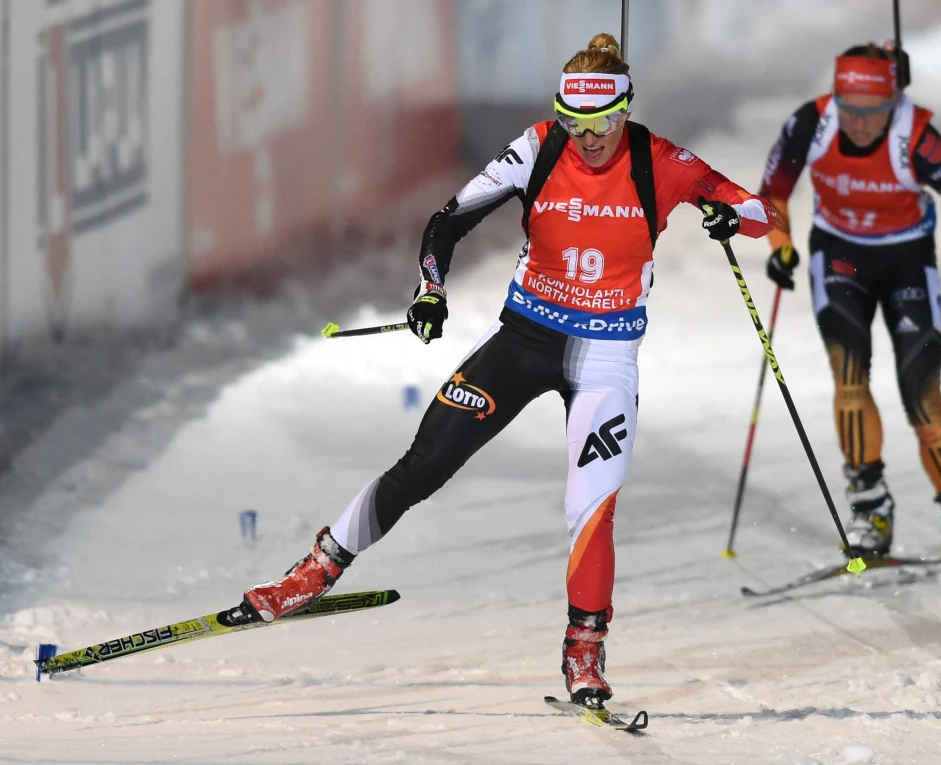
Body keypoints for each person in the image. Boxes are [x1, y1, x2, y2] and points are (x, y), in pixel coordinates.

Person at [238, 34, 776, 707]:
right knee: (425, 463)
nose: (588, 140)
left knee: (590, 506)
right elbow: (448, 220)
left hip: (604, 355)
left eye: (602, 124)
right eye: (576, 124)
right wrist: (430, 289)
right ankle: (317, 568)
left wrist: (730, 214)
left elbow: (760, 211)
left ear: (625, 112)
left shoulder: (659, 159)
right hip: (523, 339)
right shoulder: (539, 145)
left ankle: (584, 647)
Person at [757, 43, 941, 575]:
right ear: (836, 97)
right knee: (849, 379)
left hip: (906, 263)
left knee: (922, 398)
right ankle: (870, 509)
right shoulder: (811, 123)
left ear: (893, 102)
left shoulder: (916, 138)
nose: (861, 122)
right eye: (850, 108)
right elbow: (772, 193)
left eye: (873, 111)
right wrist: (779, 244)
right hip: (839, 257)